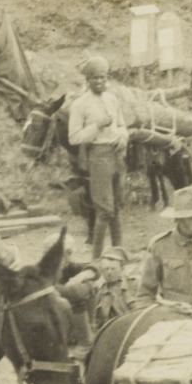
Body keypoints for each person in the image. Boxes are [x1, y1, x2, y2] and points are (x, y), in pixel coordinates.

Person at [67, 55, 130, 259]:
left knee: (117, 207)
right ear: (87, 80)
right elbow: (74, 137)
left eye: (102, 77)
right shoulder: (79, 104)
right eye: (95, 78)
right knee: (104, 211)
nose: (100, 82)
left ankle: (118, 253)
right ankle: (96, 258)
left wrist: (122, 137)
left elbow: (122, 125)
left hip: (116, 155)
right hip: (98, 156)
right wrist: (97, 126)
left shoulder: (112, 99)